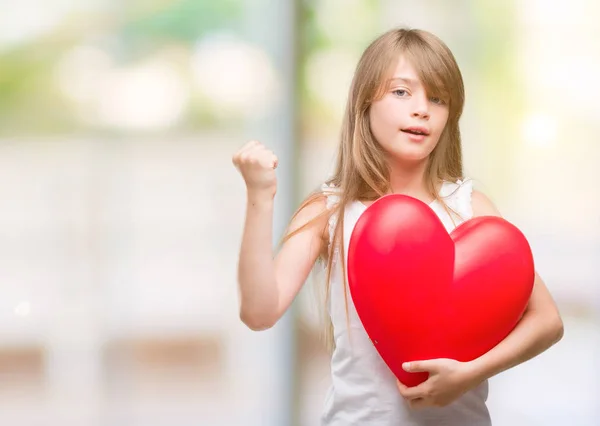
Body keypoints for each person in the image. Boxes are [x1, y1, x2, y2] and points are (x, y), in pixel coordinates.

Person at [231, 27, 564, 425]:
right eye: (401, 92)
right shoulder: (329, 211)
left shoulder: (470, 207)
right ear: (364, 102)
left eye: (437, 98)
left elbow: (547, 321)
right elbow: (258, 312)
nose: (421, 108)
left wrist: (469, 375)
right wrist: (259, 197)